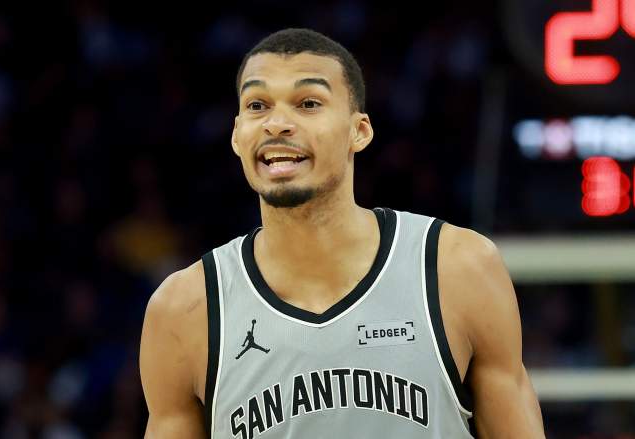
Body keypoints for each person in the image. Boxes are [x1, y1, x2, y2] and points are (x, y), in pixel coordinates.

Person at [140, 28, 545, 438]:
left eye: (308, 103)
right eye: (257, 105)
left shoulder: (457, 268)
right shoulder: (184, 309)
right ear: (236, 135)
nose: (277, 124)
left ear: (360, 131)